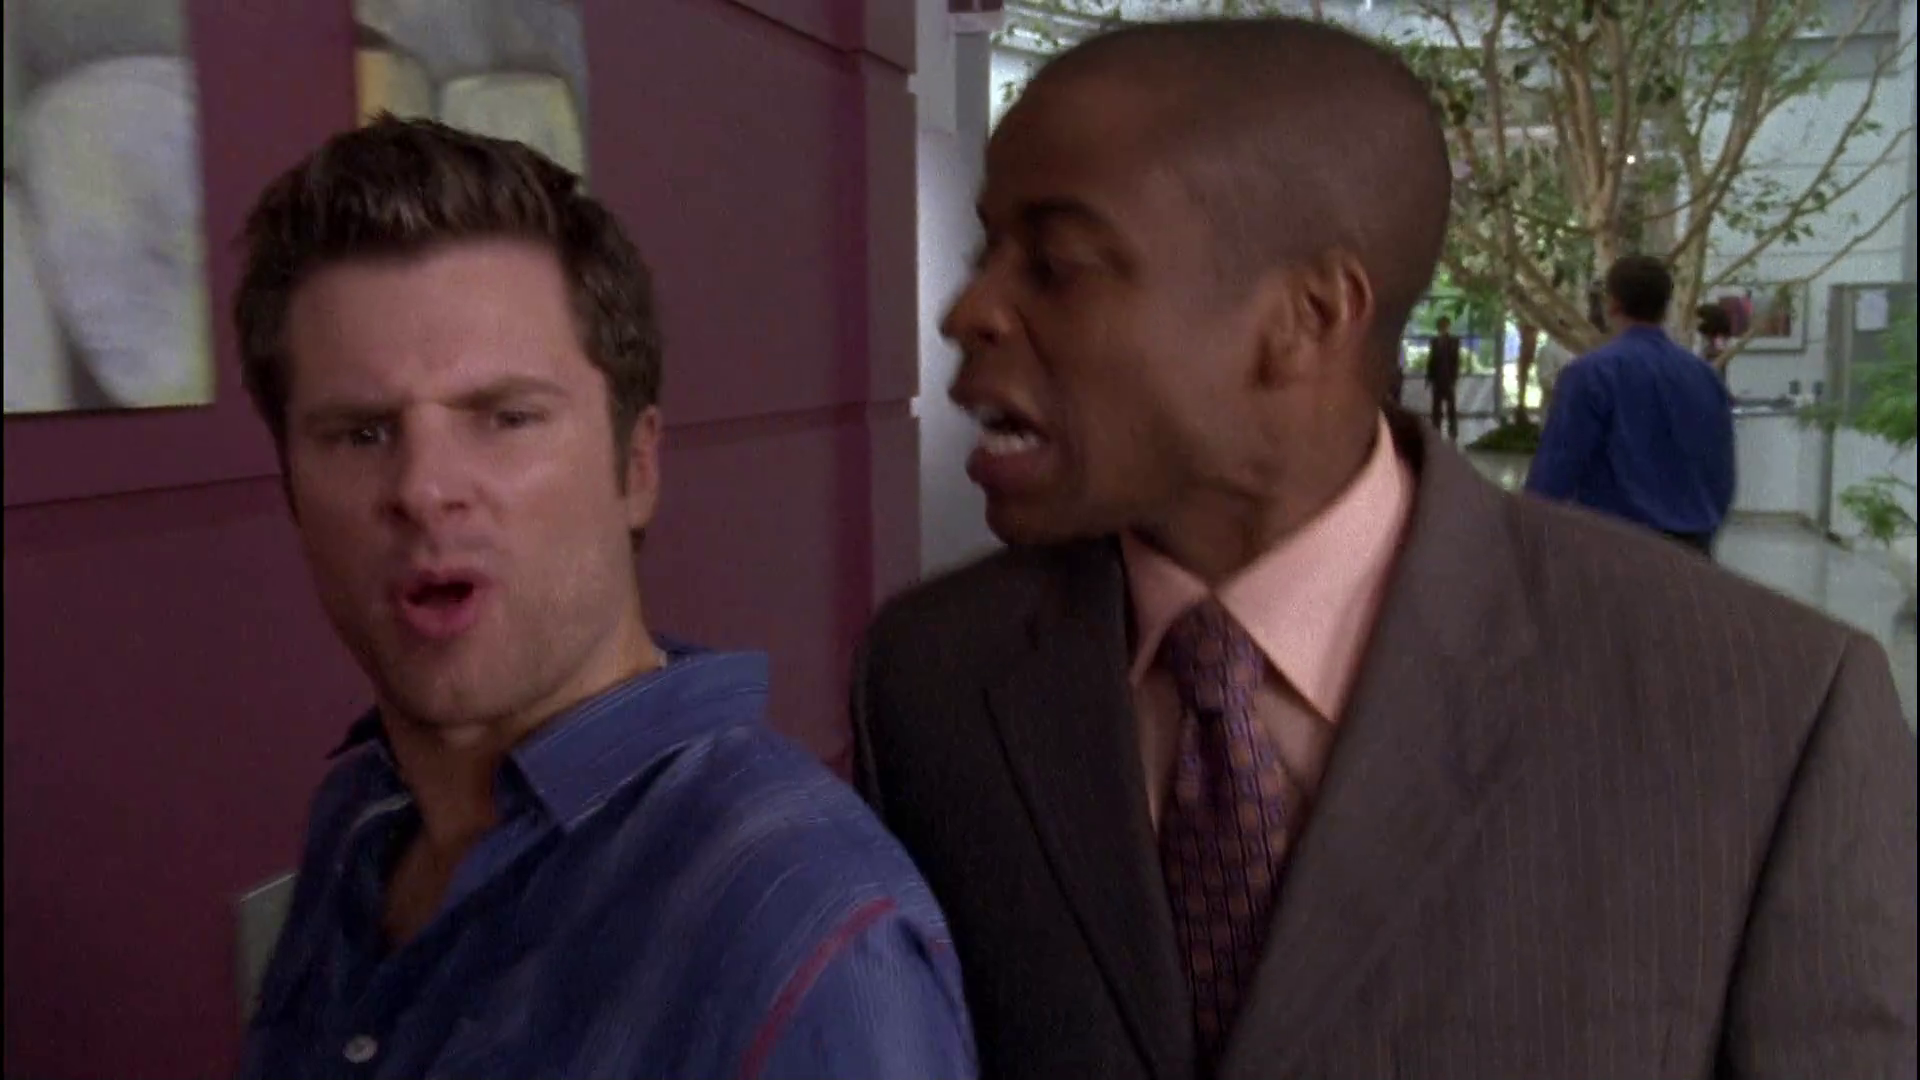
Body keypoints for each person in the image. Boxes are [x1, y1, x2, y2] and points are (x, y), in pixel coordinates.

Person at [851, 17, 1915, 1080]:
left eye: (1058, 265)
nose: (969, 311)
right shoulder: (931, 675)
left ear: (1308, 316)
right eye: (986, 253)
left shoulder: (1767, 712)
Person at [233, 117, 975, 1080]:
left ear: (637, 467)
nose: (423, 488)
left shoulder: (806, 940)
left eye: (505, 417)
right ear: (291, 491)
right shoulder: (360, 816)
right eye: (360, 433)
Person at [1526, 256, 1737, 556]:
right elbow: (1722, 472)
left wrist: (1526, 538)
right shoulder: (1705, 377)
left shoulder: (1590, 375)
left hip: (1615, 548)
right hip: (1693, 550)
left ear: (1612, 303)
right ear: (1666, 307)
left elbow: (1555, 471)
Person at [1426, 314, 1462, 439]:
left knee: (1451, 406)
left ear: (1448, 326)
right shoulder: (1434, 342)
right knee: (1436, 407)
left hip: (1448, 379)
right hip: (1437, 379)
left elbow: (1456, 361)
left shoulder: (1454, 341)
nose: (1442, 328)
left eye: (1445, 326)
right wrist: (1429, 377)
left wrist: (1454, 378)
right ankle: (1436, 429)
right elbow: (1431, 361)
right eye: (1441, 326)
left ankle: (1453, 430)